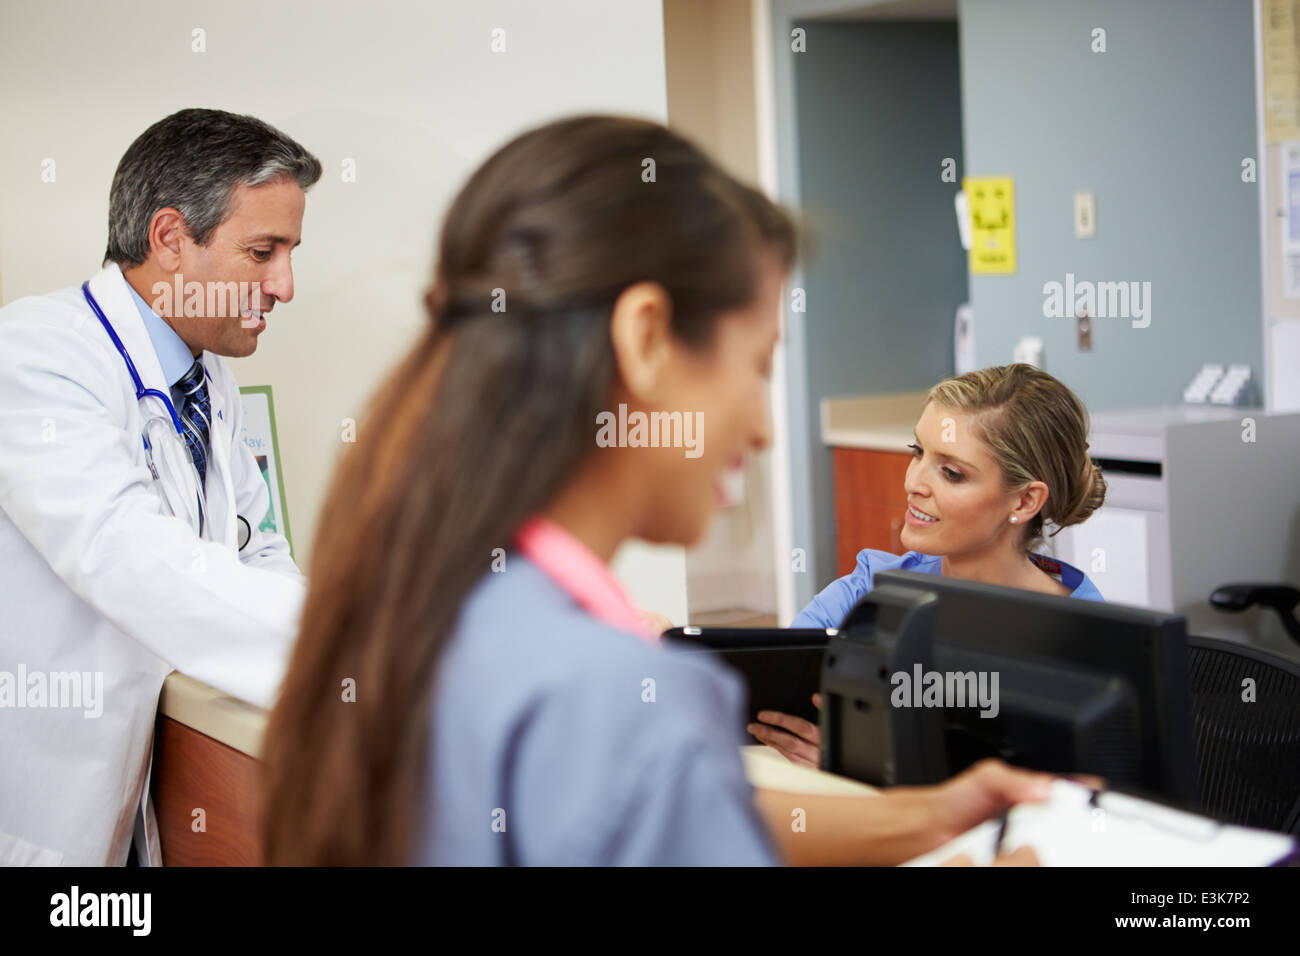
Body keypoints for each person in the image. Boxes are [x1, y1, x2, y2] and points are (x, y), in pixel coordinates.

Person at [260, 115, 1053, 866]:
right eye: (758, 363)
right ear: (645, 340)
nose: (763, 428)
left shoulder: (440, 591)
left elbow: (687, 812)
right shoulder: (623, 702)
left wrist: (931, 817)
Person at [0, 109, 320, 866]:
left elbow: (257, 549)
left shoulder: (212, 383)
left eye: (290, 253)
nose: (285, 286)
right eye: (263, 251)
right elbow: (129, 556)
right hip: (35, 813)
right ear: (171, 238)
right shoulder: (36, 354)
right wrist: (369, 645)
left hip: (133, 802)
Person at [751, 364, 1107, 767]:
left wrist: (866, 763)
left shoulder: (1084, 637)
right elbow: (774, 692)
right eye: (918, 452)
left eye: (951, 473)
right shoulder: (871, 588)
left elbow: (1056, 797)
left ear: (1024, 502)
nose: (914, 483)